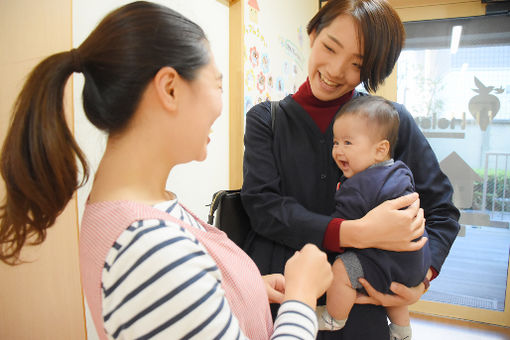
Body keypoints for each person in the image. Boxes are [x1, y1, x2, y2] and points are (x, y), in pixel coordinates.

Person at [0, 2, 334, 339]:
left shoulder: (146, 215)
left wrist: (241, 290)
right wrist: (301, 297)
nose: (220, 104)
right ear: (170, 89)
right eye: (217, 84)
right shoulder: (147, 248)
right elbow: (166, 275)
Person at [241, 0, 460, 339]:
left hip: (364, 308)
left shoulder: (392, 122)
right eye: (330, 47)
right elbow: (263, 208)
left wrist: (421, 277)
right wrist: (356, 233)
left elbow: (441, 210)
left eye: (357, 64)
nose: (335, 70)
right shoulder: (266, 120)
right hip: (280, 297)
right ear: (313, 33)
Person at [315, 95, 431, 340]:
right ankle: (402, 330)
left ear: (380, 149)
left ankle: (334, 318)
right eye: (336, 142)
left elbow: (344, 227)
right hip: (417, 262)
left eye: (348, 142)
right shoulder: (400, 170)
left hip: (387, 261)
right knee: (394, 286)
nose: (338, 150)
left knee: (342, 269)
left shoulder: (358, 186)